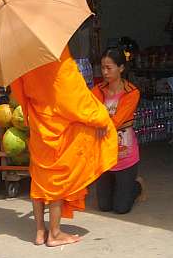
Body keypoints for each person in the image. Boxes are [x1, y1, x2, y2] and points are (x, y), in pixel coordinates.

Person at [11, 46, 118, 247]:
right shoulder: (54, 52)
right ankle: (55, 233)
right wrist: (100, 117)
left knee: (40, 179)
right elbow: (72, 95)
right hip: (57, 123)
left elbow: (20, 92)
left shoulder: (20, 56)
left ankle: (40, 232)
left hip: (38, 121)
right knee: (56, 182)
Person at [92, 48, 146, 214]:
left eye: (109, 68)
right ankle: (121, 187)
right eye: (102, 68)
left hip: (125, 154)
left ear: (121, 68)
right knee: (104, 206)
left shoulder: (132, 92)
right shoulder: (97, 90)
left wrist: (98, 121)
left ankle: (137, 185)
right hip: (103, 154)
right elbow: (89, 114)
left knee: (121, 208)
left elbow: (116, 120)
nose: (105, 72)